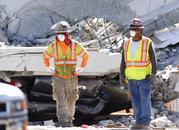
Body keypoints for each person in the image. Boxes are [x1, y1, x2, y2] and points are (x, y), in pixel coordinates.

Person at [43, 21, 89, 127]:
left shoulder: (74, 45)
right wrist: (48, 66)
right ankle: (62, 121)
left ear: (67, 34)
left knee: (71, 98)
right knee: (60, 98)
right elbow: (45, 56)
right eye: (59, 34)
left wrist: (81, 68)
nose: (60, 36)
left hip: (71, 77)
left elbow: (85, 55)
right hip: (58, 77)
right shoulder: (53, 46)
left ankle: (69, 120)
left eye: (63, 34)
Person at [120, 18, 157, 129]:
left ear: (141, 30)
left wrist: (154, 74)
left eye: (136, 29)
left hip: (144, 77)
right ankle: (138, 121)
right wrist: (122, 74)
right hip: (131, 78)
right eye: (132, 28)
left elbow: (153, 59)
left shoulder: (147, 42)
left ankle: (145, 123)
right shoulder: (126, 43)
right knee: (135, 101)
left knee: (145, 100)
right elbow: (123, 60)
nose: (133, 30)